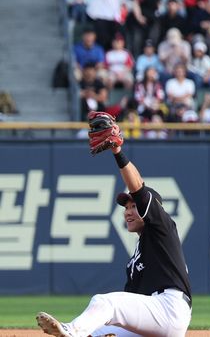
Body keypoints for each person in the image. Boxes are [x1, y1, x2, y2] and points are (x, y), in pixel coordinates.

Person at [36, 113, 192, 337]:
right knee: (100, 329)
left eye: (133, 207)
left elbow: (138, 188)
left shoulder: (162, 226)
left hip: (169, 308)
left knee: (103, 301)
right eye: (125, 207)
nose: (128, 212)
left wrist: (118, 151)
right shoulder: (138, 256)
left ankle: (72, 332)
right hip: (155, 317)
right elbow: (131, 303)